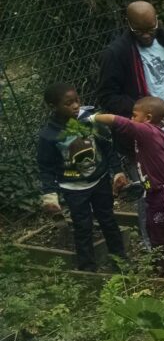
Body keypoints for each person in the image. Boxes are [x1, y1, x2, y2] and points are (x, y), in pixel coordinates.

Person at [97, 1, 164, 247]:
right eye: (140, 31)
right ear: (128, 25)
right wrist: (142, 110)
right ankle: (154, 246)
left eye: (151, 28)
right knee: (149, 191)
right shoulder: (116, 53)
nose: (147, 35)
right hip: (144, 137)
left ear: (157, 20)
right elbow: (107, 96)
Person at [88, 97, 164, 275]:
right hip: (157, 192)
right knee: (154, 228)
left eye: (134, 115)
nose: (131, 119)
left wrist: (91, 118)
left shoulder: (146, 131)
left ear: (147, 118)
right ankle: (161, 265)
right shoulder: (151, 129)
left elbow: (115, 121)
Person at [37, 83, 128, 271]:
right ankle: (87, 270)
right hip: (74, 189)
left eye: (77, 100)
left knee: (108, 220)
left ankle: (121, 262)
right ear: (53, 106)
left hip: (100, 180)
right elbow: (46, 167)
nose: (75, 106)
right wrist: (49, 193)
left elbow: (106, 147)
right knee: (83, 227)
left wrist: (117, 171)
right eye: (68, 103)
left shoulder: (89, 121)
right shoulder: (49, 136)